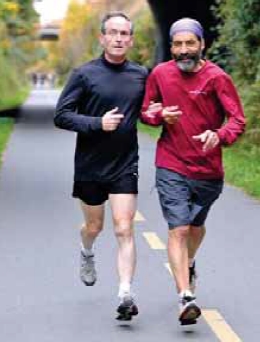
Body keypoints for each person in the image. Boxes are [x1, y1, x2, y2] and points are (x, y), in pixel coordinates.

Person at [141, 18, 245, 325]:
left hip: (208, 169)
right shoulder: (160, 74)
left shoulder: (217, 78)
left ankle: (189, 262)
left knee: (195, 228)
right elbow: (145, 111)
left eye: (190, 44)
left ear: (202, 45)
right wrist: (159, 114)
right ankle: (186, 296)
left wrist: (220, 135)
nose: (184, 50)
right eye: (177, 44)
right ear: (171, 46)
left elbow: (237, 120)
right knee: (179, 228)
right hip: (171, 162)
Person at [54, 12, 147, 321]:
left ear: (131, 40)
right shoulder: (84, 74)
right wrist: (98, 123)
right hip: (91, 166)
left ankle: (124, 292)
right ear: (102, 38)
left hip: (125, 164)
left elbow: (145, 112)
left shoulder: (141, 75)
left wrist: (157, 112)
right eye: (113, 33)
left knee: (124, 227)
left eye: (124, 33)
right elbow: (62, 115)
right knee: (95, 227)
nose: (119, 38)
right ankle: (87, 251)